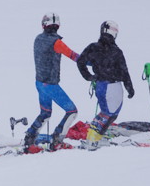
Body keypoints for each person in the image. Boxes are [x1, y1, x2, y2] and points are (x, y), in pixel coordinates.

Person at [23, 12, 80, 151]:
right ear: (57, 26)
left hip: (39, 83)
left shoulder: (38, 39)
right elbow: (74, 56)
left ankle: (30, 138)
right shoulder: (56, 42)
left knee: (45, 113)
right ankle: (57, 140)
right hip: (51, 85)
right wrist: (94, 63)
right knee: (72, 111)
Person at [76, 20, 135, 150]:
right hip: (112, 86)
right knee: (110, 114)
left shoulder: (93, 47)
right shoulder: (116, 51)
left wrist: (89, 76)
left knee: (105, 112)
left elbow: (80, 61)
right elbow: (124, 71)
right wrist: (129, 88)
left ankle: (94, 137)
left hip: (100, 85)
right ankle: (94, 139)